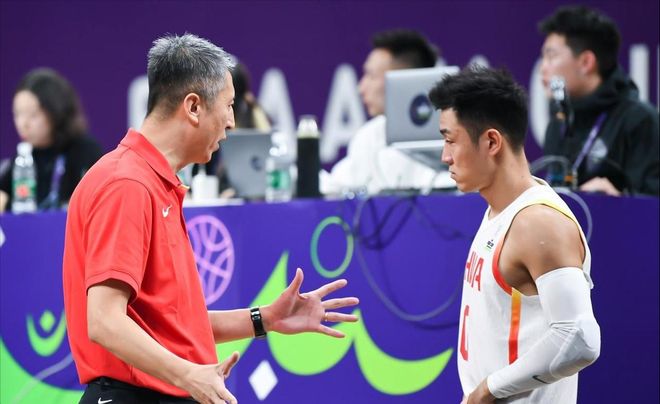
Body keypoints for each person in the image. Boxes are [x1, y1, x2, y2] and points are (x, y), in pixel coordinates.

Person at [62, 33, 359, 404]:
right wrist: (189, 374)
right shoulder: (127, 184)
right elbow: (104, 322)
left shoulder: (152, 182)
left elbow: (173, 325)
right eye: (229, 105)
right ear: (193, 107)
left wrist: (265, 319)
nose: (232, 122)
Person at [428, 66, 600, 403]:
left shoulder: (539, 223)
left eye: (450, 140)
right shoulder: (499, 210)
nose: (445, 156)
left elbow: (580, 338)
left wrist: (488, 390)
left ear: (492, 141)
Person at [539, 5, 659, 196]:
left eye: (551, 56)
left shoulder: (640, 121)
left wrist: (619, 199)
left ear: (586, 62)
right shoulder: (558, 125)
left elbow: (653, 202)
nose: (543, 68)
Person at [323, 29, 444, 194]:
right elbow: (335, 188)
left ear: (403, 80)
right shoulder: (367, 137)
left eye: (371, 76)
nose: (361, 88)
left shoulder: (450, 134)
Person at [0, 68, 103, 213]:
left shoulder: (85, 151)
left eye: (33, 115)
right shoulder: (21, 160)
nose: (23, 124)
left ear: (56, 112)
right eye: (18, 114)